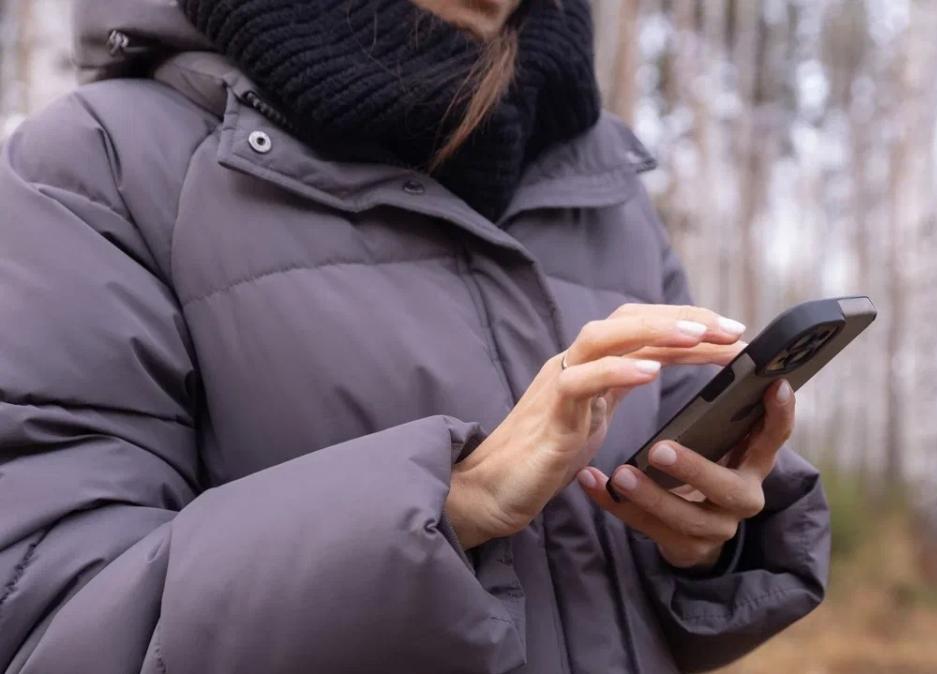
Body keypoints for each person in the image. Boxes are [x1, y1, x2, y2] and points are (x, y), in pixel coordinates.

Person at [0, 1, 830, 672]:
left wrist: (704, 545)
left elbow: (631, 599)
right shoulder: (98, 165)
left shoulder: (601, 181)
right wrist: (451, 506)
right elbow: (48, 620)